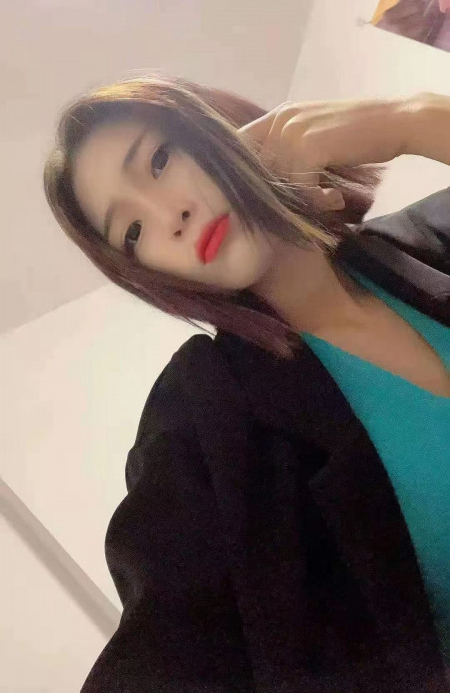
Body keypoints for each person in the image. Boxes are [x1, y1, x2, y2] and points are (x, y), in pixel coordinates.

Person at [43, 74, 450, 692]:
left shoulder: (428, 241)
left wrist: (415, 119)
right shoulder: (202, 417)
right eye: (132, 232)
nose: (170, 217)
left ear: (228, 126)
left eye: (159, 159)